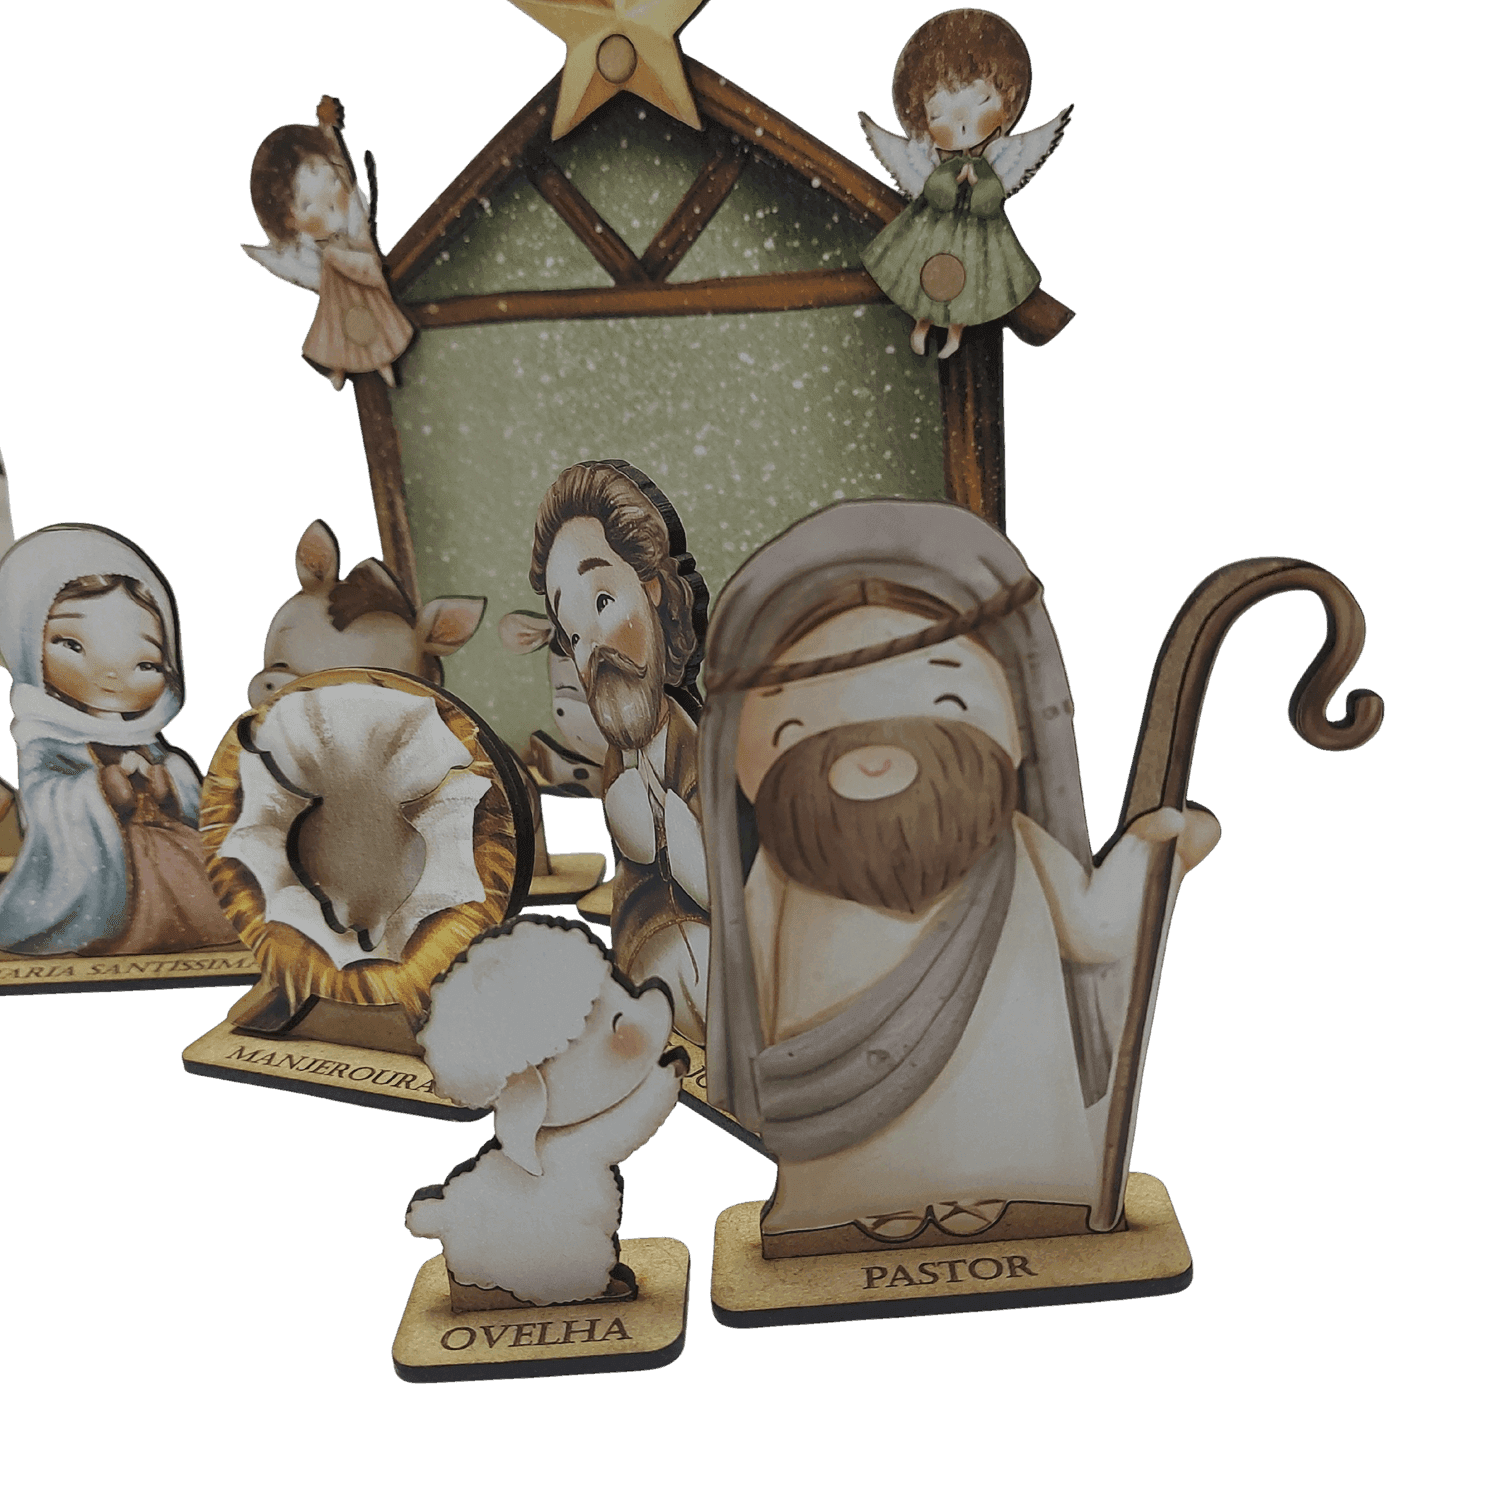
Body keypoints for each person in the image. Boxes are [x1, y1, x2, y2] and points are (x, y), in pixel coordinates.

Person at [699, 501, 1219, 1249]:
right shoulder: (781, 884)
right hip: (830, 1107)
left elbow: (1098, 930)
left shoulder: (1022, 849)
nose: (875, 756)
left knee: (1002, 1122)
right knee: (855, 1173)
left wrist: (1153, 852)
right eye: (797, 726)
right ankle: (862, 1200)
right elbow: (748, 978)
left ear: (1019, 720)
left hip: (1011, 1113)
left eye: (945, 698)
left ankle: (991, 1185)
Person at [530, 460, 712, 1041]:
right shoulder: (621, 747)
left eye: (603, 602)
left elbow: (722, 888)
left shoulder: (692, 740)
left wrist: (668, 830)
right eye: (574, 634)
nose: (593, 647)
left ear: (652, 589)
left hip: (707, 949)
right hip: (645, 951)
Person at [0, 525, 236, 956]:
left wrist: (164, 778)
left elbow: (187, 805)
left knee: (217, 891)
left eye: (145, 663)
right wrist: (104, 784)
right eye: (71, 644)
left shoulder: (146, 739)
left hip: (166, 845)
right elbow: (45, 799)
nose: (110, 674)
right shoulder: (46, 737)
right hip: (98, 871)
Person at [245, 96, 413, 390]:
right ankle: (341, 367)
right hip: (340, 302)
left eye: (332, 182)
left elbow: (341, 162)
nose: (329, 204)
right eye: (307, 204)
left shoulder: (354, 219)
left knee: (380, 325)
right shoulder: (308, 252)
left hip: (366, 288)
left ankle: (384, 364)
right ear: (289, 220)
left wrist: (327, 127)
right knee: (340, 332)